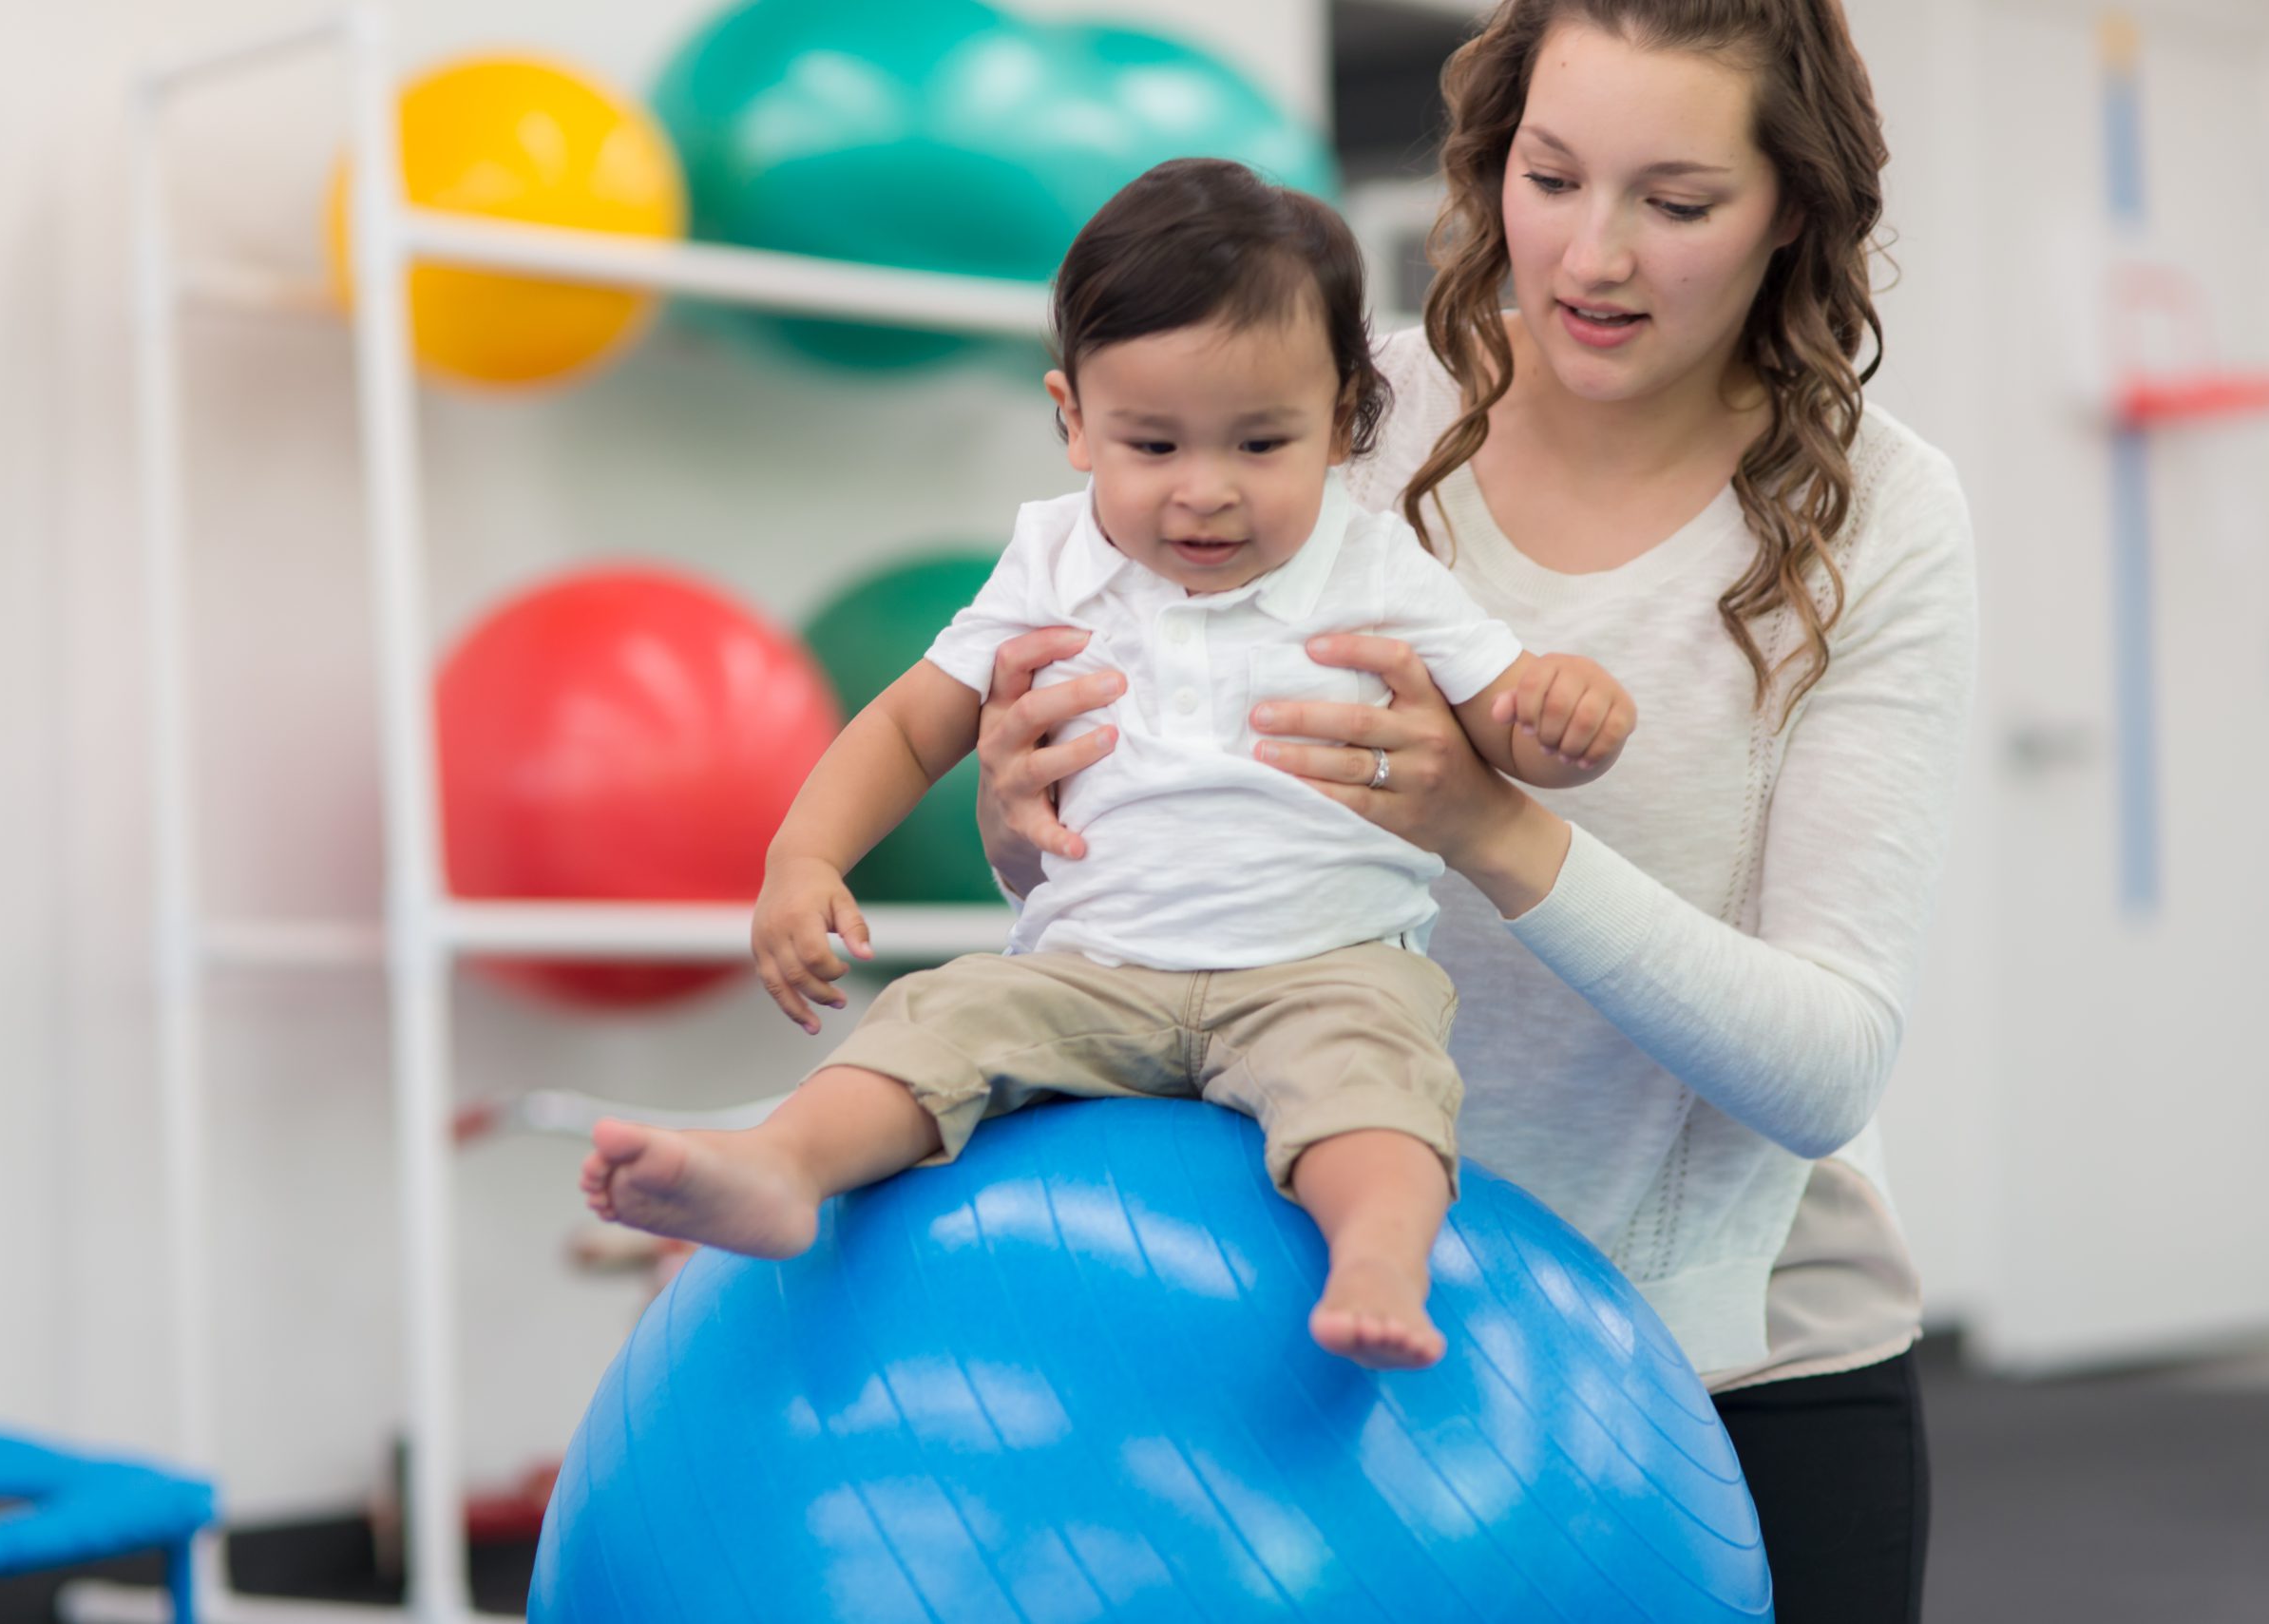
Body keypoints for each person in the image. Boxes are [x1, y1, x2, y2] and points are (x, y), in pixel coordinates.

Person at [970, 4, 1973, 1618]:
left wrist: (1492, 825)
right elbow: (1111, 864)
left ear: (1792, 204)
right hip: (1326, 1310)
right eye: (1551, 174)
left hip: (1731, 1359)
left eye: (1678, 201)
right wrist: (1023, 817)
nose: (1592, 255)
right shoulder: (1329, 423)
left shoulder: (1880, 508)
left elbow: (1826, 1061)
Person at [579, 158, 1633, 1371]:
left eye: (1258, 442)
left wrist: (1558, 711)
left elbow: (1498, 717)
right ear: (1073, 419)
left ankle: (1380, 1260)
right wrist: (803, 855)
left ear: (1344, 417)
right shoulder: (1050, 557)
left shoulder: (1373, 565)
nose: (1204, 490)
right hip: (1090, 968)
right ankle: (779, 1164)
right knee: (941, 1016)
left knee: (1375, 1084)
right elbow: (912, 721)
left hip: (1321, 968)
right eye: (1152, 442)